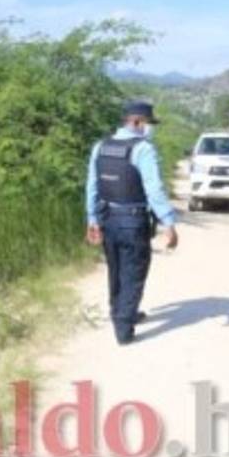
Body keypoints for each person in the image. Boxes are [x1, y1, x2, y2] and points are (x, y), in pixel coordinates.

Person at [85, 100, 179, 344]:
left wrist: (92, 219)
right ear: (137, 122)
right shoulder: (143, 149)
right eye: (148, 123)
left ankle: (121, 311)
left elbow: (92, 186)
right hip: (132, 222)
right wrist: (168, 223)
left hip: (107, 219)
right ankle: (124, 328)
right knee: (134, 272)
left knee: (116, 270)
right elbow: (154, 189)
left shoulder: (100, 146)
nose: (150, 128)